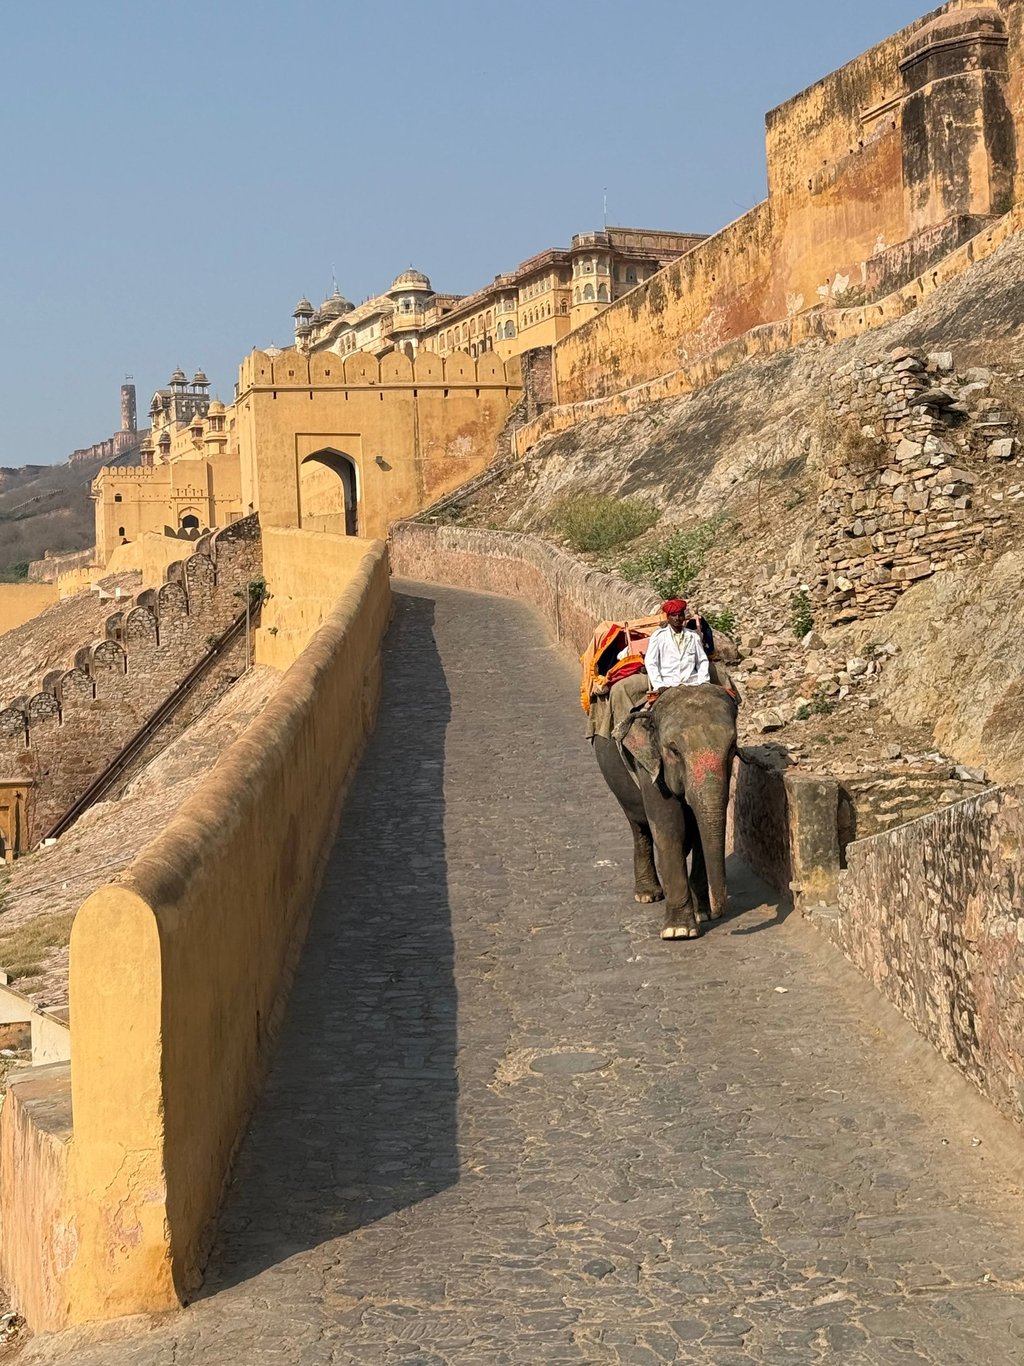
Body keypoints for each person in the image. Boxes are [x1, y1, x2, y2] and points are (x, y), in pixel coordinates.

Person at [644, 598, 710, 700]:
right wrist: (659, 685)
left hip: (692, 684)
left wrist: (703, 681)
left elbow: (702, 661)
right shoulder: (658, 637)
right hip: (668, 686)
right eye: (673, 615)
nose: (677, 618)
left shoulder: (693, 636)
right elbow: (651, 662)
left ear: (684, 617)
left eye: (680, 615)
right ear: (668, 617)